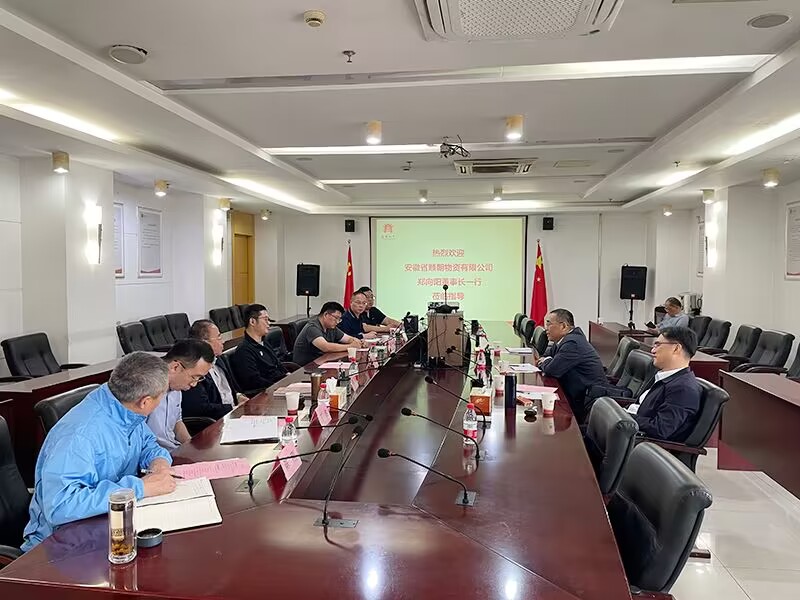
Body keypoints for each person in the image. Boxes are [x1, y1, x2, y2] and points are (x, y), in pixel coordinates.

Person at [21, 352, 177, 552]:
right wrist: (138, 488)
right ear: (145, 401)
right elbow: (61, 505)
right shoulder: (80, 435)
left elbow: (147, 443)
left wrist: (159, 462)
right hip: (60, 546)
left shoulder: (126, 409)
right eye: (162, 396)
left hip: (109, 524)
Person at [624, 327, 701, 442]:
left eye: (658, 345)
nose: (652, 350)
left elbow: (660, 429)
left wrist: (624, 416)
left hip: (641, 444)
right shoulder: (664, 376)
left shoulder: (683, 389)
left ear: (676, 348)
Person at [536, 308, 606, 421]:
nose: (546, 329)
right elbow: (545, 357)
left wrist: (546, 361)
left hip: (586, 401)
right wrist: (547, 361)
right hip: (576, 393)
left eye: (549, 324)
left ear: (563, 326)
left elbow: (551, 370)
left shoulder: (572, 343)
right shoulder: (564, 339)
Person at [146, 339, 214, 450]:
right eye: (194, 377)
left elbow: (177, 421)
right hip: (156, 455)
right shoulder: (145, 389)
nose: (194, 384)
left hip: (174, 449)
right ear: (175, 367)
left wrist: (191, 446)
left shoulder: (176, 388)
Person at [182, 319, 240, 420]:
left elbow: (228, 388)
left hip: (234, 413)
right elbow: (201, 408)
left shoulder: (220, 358)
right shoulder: (194, 368)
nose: (223, 341)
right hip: (216, 420)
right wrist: (233, 408)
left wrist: (238, 396)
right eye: (219, 337)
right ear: (205, 343)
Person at [229, 304, 290, 397]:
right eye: (265, 319)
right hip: (266, 394)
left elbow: (278, 364)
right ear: (252, 321)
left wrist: (288, 375)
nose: (269, 323)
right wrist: (278, 386)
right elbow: (254, 381)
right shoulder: (244, 351)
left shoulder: (264, 343)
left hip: (280, 387)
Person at [293, 301, 364, 366]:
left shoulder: (331, 327)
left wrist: (359, 342)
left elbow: (348, 339)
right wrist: (350, 346)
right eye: (336, 318)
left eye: (339, 319)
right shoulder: (312, 327)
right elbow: (326, 347)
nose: (337, 322)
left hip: (322, 362)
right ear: (326, 314)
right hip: (306, 367)